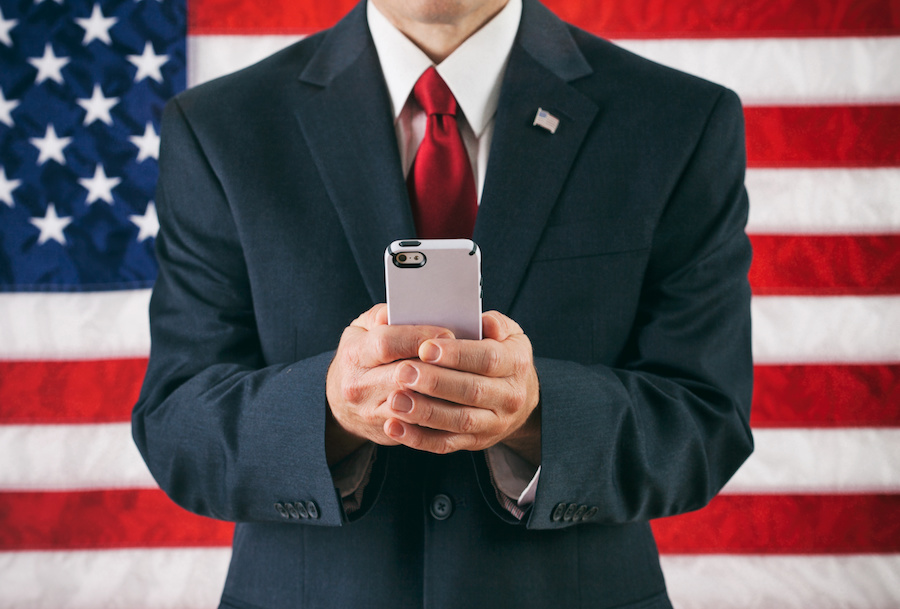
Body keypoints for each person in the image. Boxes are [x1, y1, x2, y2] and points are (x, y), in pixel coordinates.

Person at [132, 0, 754, 607]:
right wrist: (327, 409)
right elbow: (176, 422)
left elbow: (706, 419)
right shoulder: (218, 126)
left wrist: (538, 413)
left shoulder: (679, 120)